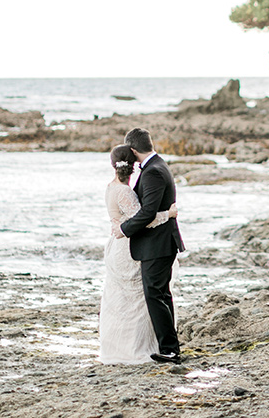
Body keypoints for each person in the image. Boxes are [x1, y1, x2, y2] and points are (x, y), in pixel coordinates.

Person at [98, 144, 177, 365]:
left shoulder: (111, 187)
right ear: (133, 165)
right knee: (137, 301)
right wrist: (167, 214)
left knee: (121, 300)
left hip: (116, 245)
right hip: (128, 246)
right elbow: (143, 219)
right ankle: (136, 348)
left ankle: (120, 347)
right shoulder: (124, 191)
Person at [116, 127, 185, 364]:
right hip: (160, 243)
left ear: (133, 150)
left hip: (158, 244)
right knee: (161, 294)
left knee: (155, 294)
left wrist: (123, 230)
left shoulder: (154, 171)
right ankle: (169, 347)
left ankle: (169, 349)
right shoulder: (158, 166)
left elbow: (148, 213)